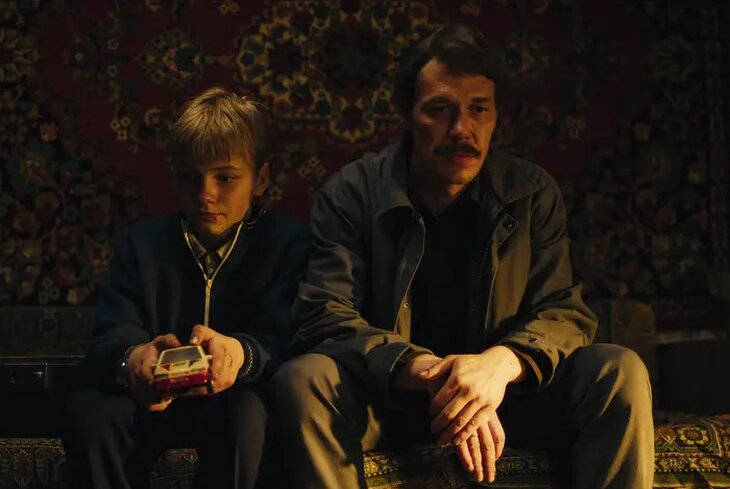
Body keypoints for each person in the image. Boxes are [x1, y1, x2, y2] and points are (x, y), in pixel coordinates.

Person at [274, 24, 654, 488]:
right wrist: (431, 373)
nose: (461, 130)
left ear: (496, 116)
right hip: (386, 402)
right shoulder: (352, 193)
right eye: (440, 110)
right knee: (303, 378)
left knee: (618, 370)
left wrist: (498, 366)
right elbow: (325, 316)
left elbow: (564, 312)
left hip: (507, 400)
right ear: (408, 115)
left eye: (479, 109)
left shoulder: (531, 192)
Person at [63, 87, 310, 489]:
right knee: (92, 412)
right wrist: (133, 359)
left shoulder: (286, 245)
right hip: (152, 403)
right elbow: (111, 333)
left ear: (261, 179)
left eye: (225, 177)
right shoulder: (141, 245)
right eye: (189, 178)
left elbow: (285, 336)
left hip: (233, 397)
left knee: (248, 411)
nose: (205, 194)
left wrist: (240, 353)